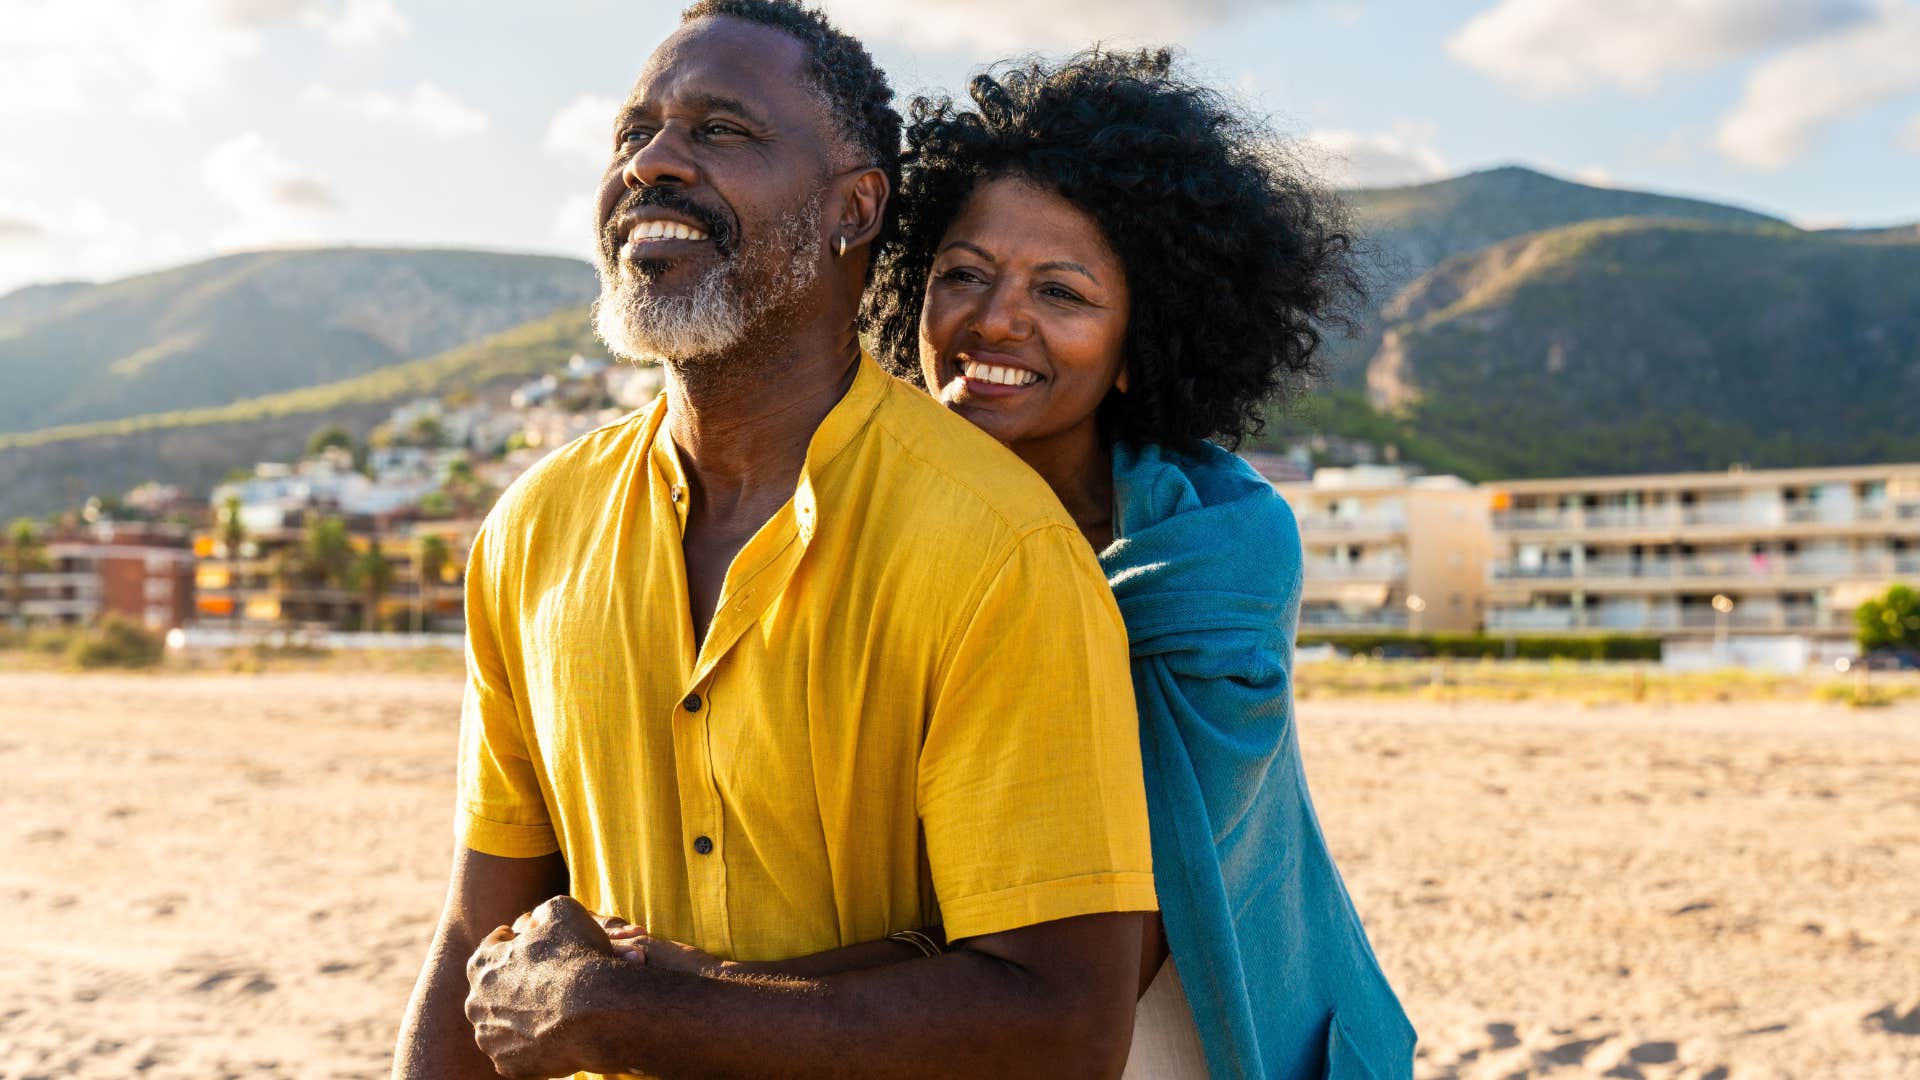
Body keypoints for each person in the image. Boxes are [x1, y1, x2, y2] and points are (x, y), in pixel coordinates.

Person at [389, 4, 1159, 1079]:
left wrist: (641, 1012)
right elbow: (481, 935)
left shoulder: (1000, 550)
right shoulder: (534, 529)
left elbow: (1063, 1022)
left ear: (855, 205)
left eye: (721, 132)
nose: (653, 162)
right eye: (632, 134)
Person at [868, 49, 1419, 1079]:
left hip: (1194, 1035)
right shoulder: (874, 524)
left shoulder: (1218, 546)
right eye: (963, 275)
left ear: (1138, 345)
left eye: (1062, 293)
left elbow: (1103, 945)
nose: (996, 319)